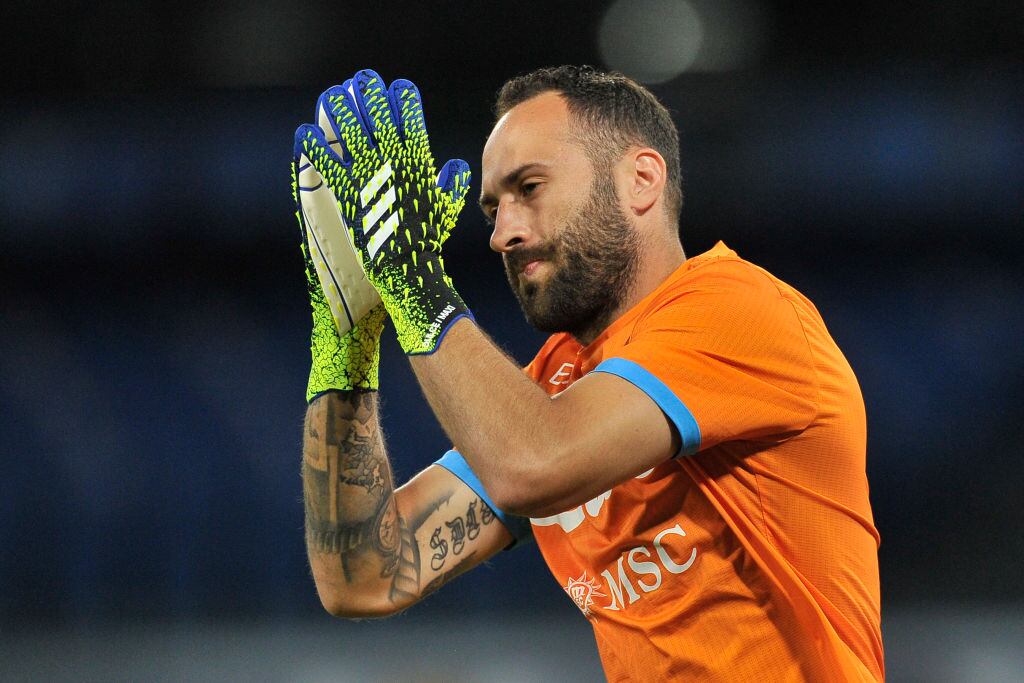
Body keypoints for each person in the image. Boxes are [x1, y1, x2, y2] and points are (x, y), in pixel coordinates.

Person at [292, 65, 883, 681]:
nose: (501, 234)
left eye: (530, 188)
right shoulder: (560, 382)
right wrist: (345, 344)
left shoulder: (741, 313)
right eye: (492, 210)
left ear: (640, 180)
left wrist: (415, 283)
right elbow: (364, 576)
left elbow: (533, 464)